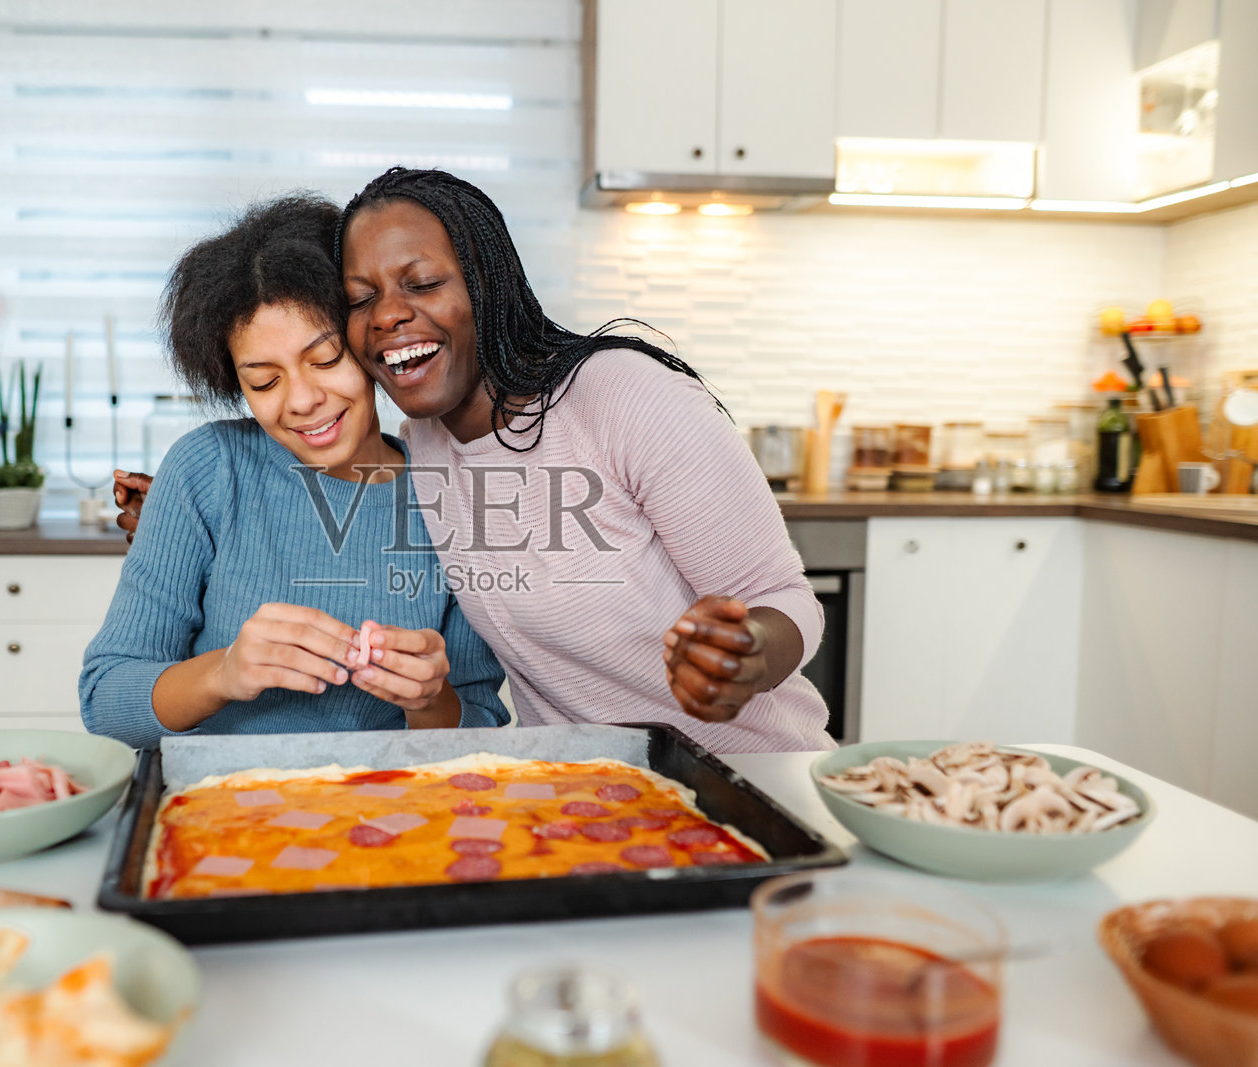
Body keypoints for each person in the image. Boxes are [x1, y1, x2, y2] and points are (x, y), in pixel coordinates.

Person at [117, 169, 831, 754]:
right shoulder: (425, 445)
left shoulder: (621, 395)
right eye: (363, 299)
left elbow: (777, 593)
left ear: (484, 281)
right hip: (587, 792)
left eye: (421, 283)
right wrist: (192, 525)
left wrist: (746, 652)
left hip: (755, 773)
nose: (391, 314)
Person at [81, 196, 508, 749]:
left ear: (369, 338)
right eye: (264, 381)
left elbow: (483, 730)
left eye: (326, 359)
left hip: (389, 814)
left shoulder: (452, 497)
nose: (302, 400)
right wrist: (223, 673)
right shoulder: (208, 471)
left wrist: (431, 700)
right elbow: (106, 698)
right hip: (221, 810)